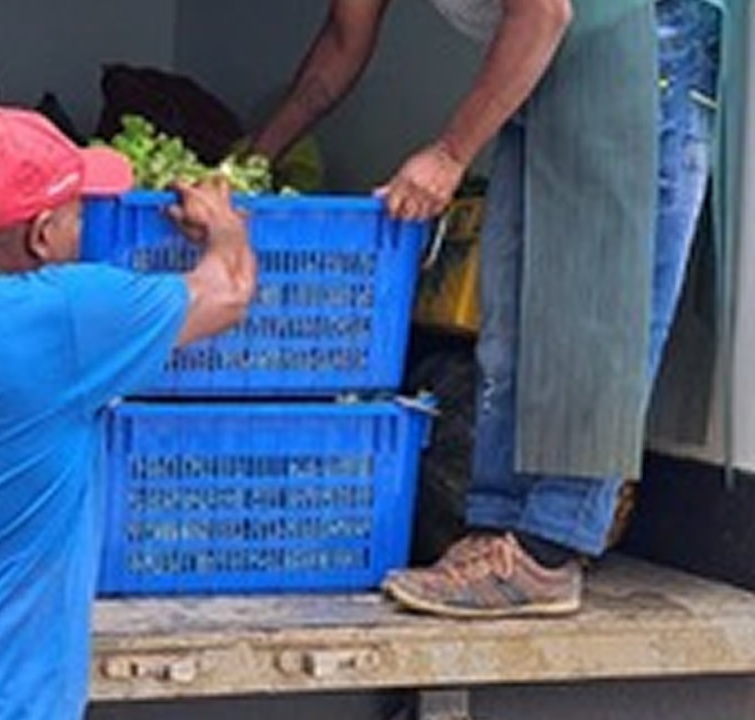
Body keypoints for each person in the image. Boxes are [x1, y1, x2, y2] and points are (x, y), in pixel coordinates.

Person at [256, 0, 669, 618]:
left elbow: (545, 11)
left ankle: (549, 551)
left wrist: (449, 155)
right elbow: (343, 44)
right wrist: (251, 161)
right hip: (547, 61)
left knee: (596, 296)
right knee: (507, 309)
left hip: (642, 54)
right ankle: (496, 527)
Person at [0, 107, 256, 719]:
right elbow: (227, 292)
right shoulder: (60, 318)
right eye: (78, 215)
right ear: (42, 235)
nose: (85, 231)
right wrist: (225, 228)